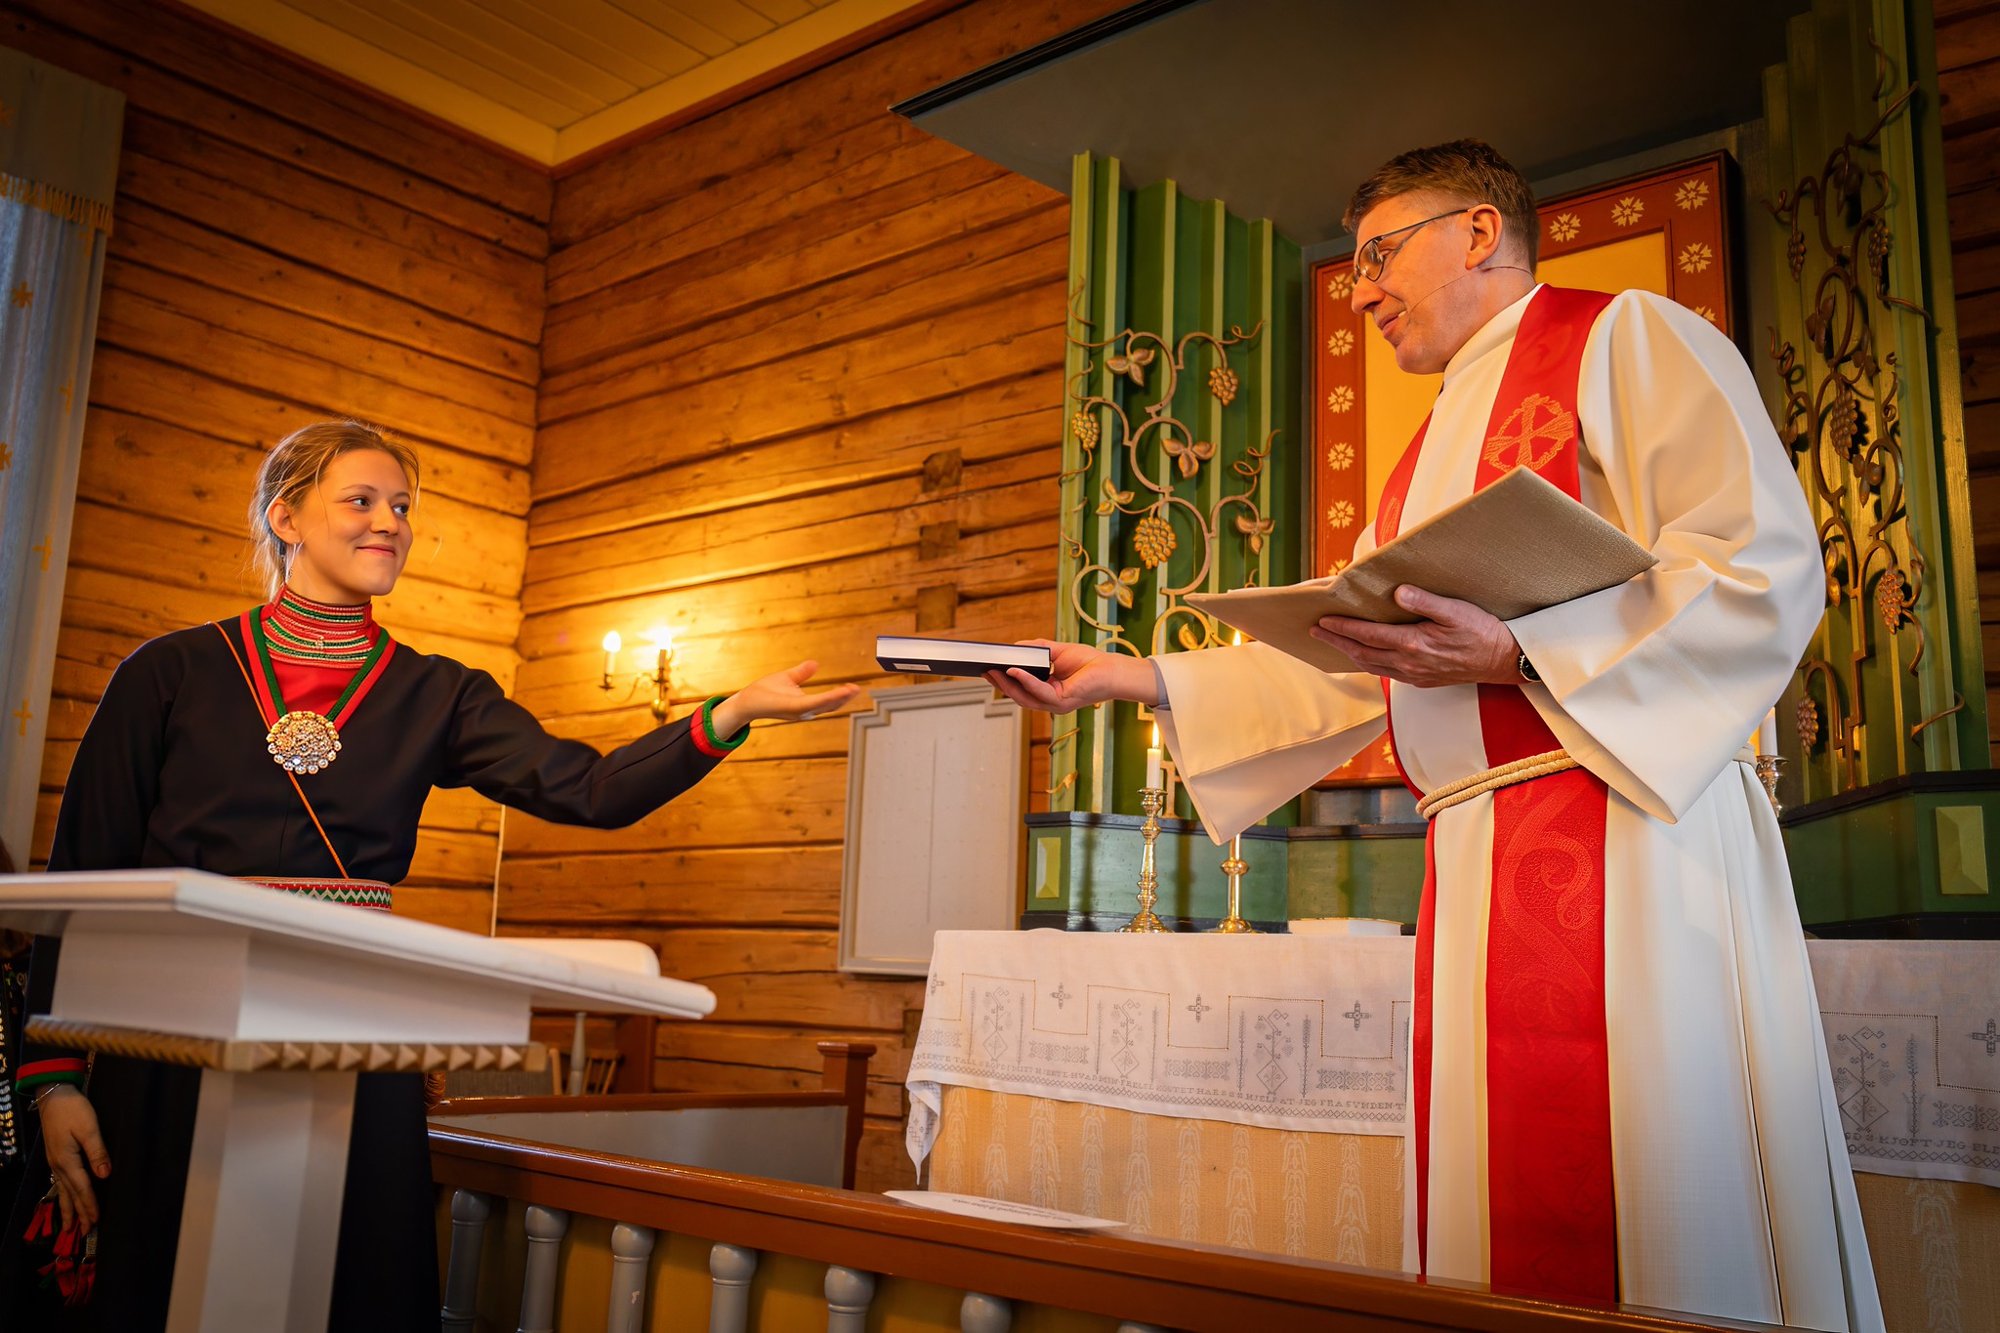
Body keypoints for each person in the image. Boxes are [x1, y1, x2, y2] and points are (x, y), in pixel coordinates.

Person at [989, 141, 1882, 1330]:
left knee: (1657, 1198)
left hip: (1628, 830)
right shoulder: (1420, 453)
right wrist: (1130, 676)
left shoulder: (1625, 338)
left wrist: (1519, 652)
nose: (1359, 289)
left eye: (1379, 254)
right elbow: (1357, 660)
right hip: (1474, 858)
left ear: (1476, 232)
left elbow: (1756, 568)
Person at [2, 420, 859, 1330]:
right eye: (361, 500)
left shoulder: (438, 692)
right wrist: (53, 1077)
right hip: (174, 1030)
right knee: (168, 1278)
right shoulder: (170, 671)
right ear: (286, 518)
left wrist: (731, 712)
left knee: (347, 1286)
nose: (390, 523)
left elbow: (594, 789)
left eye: (402, 507)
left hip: (352, 1030)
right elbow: (83, 870)